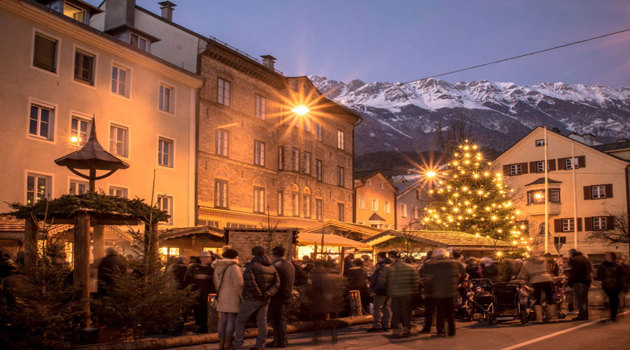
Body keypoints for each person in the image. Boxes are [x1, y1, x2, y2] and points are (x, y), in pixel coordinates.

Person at [234, 246, 280, 350]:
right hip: (266, 299)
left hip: (251, 298)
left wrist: (259, 294)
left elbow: (250, 282)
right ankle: (260, 345)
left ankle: (238, 345)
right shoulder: (272, 267)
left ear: (253, 253)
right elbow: (277, 283)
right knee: (262, 321)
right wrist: (268, 293)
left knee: (240, 321)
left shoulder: (251, 265)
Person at [421, 248, 463, 337]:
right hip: (451, 291)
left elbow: (426, 278)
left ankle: (441, 330)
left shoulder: (430, 264)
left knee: (440, 312)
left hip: (437, 291)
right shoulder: (456, 263)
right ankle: (452, 331)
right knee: (450, 312)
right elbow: (461, 275)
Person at [385, 250, 419, 338]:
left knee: (396, 312)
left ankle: (396, 331)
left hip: (394, 294)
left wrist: (387, 291)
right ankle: (406, 330)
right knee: (406, 312)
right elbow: (416, 281)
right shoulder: (411, 268)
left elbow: (383, 281)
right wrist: (415, 292)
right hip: (408, 294)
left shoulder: (389, 268)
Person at [214, 249, 243, 350]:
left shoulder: (218, 266)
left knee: (223, 319)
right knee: (231, 319)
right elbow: (239, 284)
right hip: (232, 296)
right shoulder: (234, 267)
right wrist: (242, 297)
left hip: (221, 295)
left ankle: (221, 343)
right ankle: (228, 342)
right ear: (235, 256)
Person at [267, 246, 295, 348]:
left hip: (278, 297)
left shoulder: (276, 266)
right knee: (282, 319)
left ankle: (279, 341)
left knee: (277, 320)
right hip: (287, 295)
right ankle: (282, 340)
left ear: (273, 253)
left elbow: (274, 282)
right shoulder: (289, 264)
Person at [518, 253, 555, 323]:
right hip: (547, 279)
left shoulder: (526, 263)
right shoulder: (544, 260)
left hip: (536, 280)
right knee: (549, 298)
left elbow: (522, 274)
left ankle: (539, 319)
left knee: (537, 299)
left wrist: (520, 278)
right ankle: (552, 317)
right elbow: (549, 269)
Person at [185, 250, 215, 333]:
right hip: (197, 293)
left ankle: (208, 326)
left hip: (210, 294)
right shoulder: (194, 268)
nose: (205, 259)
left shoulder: (213, 268)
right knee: (198, 310)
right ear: (200, 258)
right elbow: (188, 279)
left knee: (209, 311)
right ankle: (199, 326)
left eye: (207, 257)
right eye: (203, 257)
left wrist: (207, 278)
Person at [367, 252, 392, 332]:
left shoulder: (382, 267)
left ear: (381, 257)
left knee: (377, 308)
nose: (377, 258)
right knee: (386, 308)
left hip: (381, 291)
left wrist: (375, 290)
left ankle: (377, 325)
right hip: (389, 290)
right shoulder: (390, 266)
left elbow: (380, 280)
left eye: (377, 257)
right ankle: (387, 325)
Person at [596, 252, 624, 322]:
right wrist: (599, 282)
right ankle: (608, 313)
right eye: (606, 256)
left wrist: (622, 284)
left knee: (614, 300)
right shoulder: (603, 265)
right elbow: (599, 274)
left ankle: (613, 315)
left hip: (615, 285)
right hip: (606, 285)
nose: (606, 257)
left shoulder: (617, 265)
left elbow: (621, 275)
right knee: (606, 299)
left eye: (608, 256)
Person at [568, 249, 592, 320]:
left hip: (579, 281)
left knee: (580, 299)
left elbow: (574, 273)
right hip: (586, 280)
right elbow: (590, 269)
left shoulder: (574, 260)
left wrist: (570, 283)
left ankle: (582, 314)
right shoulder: (584, 258)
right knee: (584, 299)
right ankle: (584, 314)